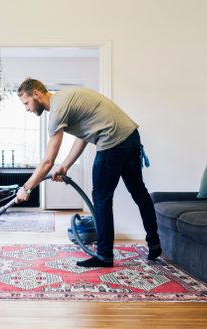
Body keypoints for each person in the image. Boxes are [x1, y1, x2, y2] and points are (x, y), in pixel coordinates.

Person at [15, 77, 162, 268]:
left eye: (26, 103)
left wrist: (26, 188)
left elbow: (47, 161)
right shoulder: (66, 99)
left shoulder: (57, 110)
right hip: (131, 137)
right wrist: (66, 165)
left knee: (101, 197)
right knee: (139, 192)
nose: (26, 108)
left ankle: (104, 256)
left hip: (112, 141)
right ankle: (154, 243)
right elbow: (82, 137)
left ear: (36, 93)